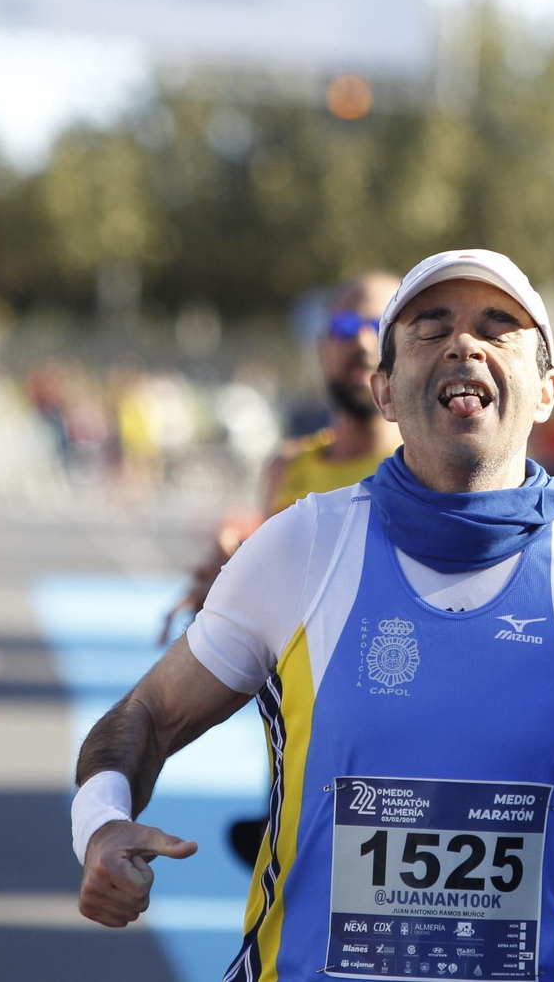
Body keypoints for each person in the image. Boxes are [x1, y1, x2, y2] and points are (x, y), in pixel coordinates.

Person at [73, 250, 554, 982]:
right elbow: (146, 715)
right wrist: (101, 823)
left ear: (546, 392)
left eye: (498, 329)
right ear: (384, 390)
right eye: (430, 328)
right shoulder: (301, 545)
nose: (463, 344)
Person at [159, 272, 403, 868]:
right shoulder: (289, 467)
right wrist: (224, 585)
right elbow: (266, 603)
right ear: (320, 346)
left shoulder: (423, 471)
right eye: (345, 326)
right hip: (297, 763)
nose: (361, 342)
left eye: (379, 326)